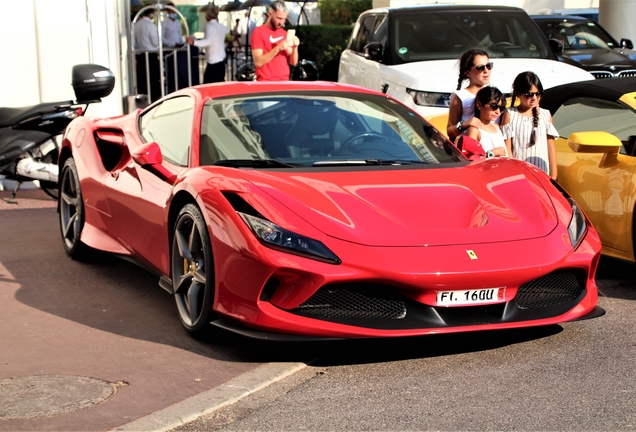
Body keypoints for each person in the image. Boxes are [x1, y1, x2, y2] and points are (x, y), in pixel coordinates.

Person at [501, 71, 558, 180]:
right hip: (520, 175)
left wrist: (554, 176)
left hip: (543, 174)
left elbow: (551, 147)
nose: (534, 98)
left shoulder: (546, 115)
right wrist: (513, 173)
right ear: (518, 94)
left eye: (538, 93)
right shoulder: (510, 115)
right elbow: (508, 148)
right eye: (529, 94)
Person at [447, 49, 492, 142]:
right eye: (480, 67)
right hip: (471, 147)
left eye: (489, 66)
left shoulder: (493, 93)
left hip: (492, 147)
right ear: (467, 72)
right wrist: (465, 124)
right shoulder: (460, 96)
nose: (486, 70)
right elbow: (450, 131)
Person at [250, 0, 300, 81]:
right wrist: (278, 48)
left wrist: (295, 47)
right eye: (279, 18)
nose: (282, 22)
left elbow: (293, 62)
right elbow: (258, 62)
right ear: (270, 13)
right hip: (266, 81)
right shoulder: (258, 32)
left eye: (284, 19)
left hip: (284, 81)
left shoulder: (284, 33)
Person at [186, 3, 229, 83]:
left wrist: (193, 42)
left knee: (208, 87)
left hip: (213, 63)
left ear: (208, 15)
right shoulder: (221, 27)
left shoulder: (209, 26)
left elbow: (208, 41)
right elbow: (227, 30)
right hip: (221, 62)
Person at [466, 86, 508, 158]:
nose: (498, 112)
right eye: (494, 106)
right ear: (479, 105)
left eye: (501, 108)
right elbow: (471, 160)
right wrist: (493, 153)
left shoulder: (496, 127)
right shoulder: (474, 130)